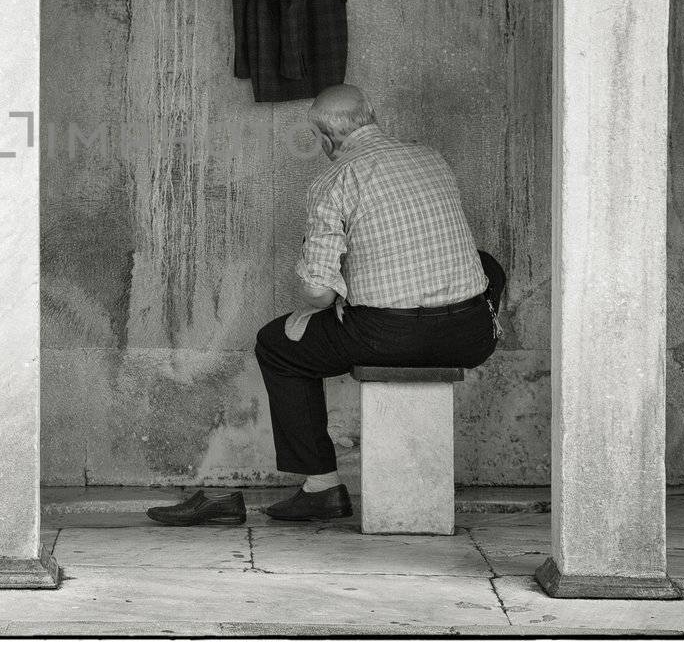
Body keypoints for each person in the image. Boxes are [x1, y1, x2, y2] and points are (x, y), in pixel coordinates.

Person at [147, 84, 501, 527]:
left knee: (277, 345)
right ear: (372, 116)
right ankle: (484, 326)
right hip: (468, 335)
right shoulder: (431, 158)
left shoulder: (334, 181)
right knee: (487, 264)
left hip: (384, 339)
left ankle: (322, 487)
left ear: (326, 139)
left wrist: (321, 306)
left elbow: (318, 292)